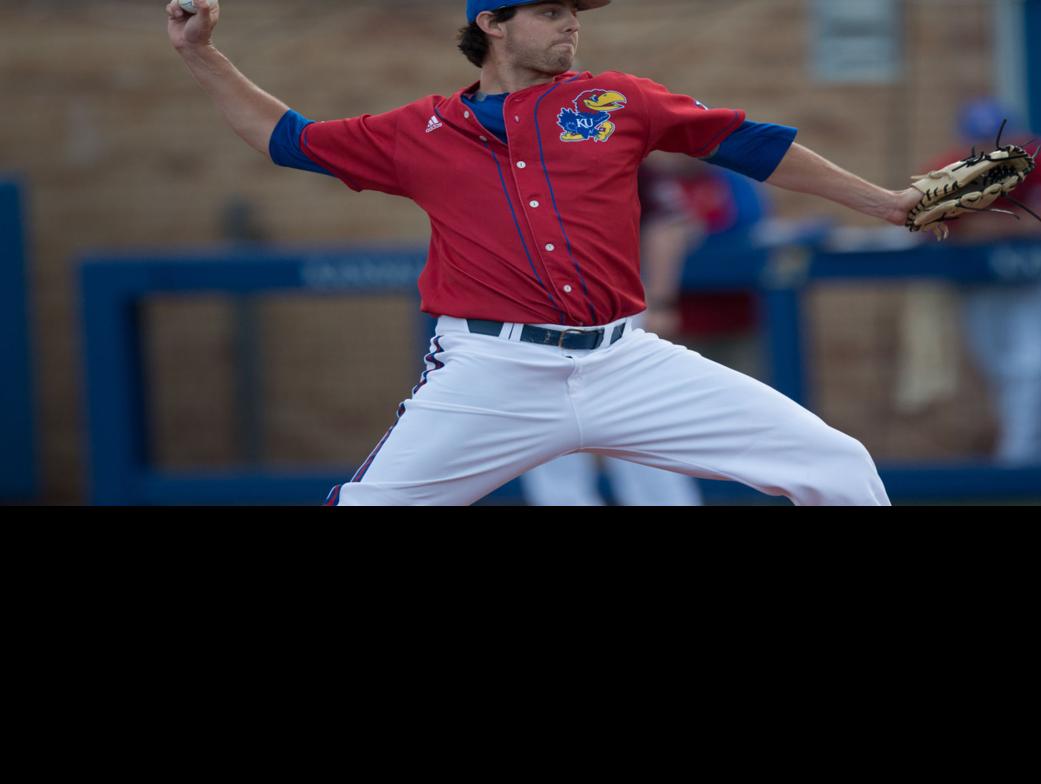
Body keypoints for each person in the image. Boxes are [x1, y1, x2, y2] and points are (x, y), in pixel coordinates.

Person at [166, 0, 919, 505]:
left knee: (837, 465)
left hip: (625, 361)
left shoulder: (616, 99)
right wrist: (200, 53)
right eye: (550, 11)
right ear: (492, 24)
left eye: (573, 13)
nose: (571, 25)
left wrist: (883, 202)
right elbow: (287, 139)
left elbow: (748, 144)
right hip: (493, 369)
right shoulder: (417, 131)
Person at [519, 155, 765, 505]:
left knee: (635, 425)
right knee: (551, 432)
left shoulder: (621, 158)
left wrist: (660, 303)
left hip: (610, 309)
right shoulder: (503, 155)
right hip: (534, 311)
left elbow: (667, 224)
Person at [917, 100, 1041, 466]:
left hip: (1034, 280)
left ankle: (1016, 460)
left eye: (998, 143)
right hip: (979, 284)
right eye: (982, 144)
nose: (991, 152)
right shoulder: (949, 168)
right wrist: (1000, 225)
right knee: (998, 369)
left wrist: (994, 224)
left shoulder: (1038, 158)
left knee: (1036, 365)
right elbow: (925, 223)